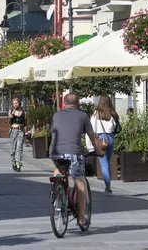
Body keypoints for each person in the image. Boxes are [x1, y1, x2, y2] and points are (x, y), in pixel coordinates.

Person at [50, 93, 104, 231]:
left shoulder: (56, 115)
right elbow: (91, 135)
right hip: (73, 152)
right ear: (78, 104)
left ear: (64, 102)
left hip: (55, 152)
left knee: (59, 170)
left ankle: (58, 191)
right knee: (80, 183)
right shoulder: (83, 115)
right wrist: (98, 150)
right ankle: (81, 218)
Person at [89, 95, 120, 195]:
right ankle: (108, 186)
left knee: (104, 164)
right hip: (110, 138)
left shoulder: (96, 113)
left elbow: (92, 127)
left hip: (100, 138)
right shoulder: (112, 113)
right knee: (107, 162)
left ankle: (108, 188)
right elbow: (115, 126)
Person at [9, 97, 26, 172]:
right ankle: (14, 162)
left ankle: (18, 164)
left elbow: (25, 122)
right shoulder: (11, 111)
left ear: (19, 103)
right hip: (13, 131)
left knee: (19, 148)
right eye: (14, 103)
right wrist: (11, 115)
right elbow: (10, 120)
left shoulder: (22, 112)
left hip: (20, 131)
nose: (15, 105)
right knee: (13, 149)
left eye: (16, 103)